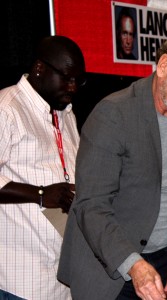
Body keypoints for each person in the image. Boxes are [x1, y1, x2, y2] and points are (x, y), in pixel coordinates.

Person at [58, 29, 167, 300]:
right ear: (164, 66)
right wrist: (133, 264)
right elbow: (92, 205)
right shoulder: (113, 114)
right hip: (111, 263)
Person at [0, 35, 86, 299]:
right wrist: (40, 194)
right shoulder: (7, 108)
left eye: (78, 80)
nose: (73, 87)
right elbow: (44, 192)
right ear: (40, 68)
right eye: (66, 77)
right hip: (22, 279)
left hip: (63, 277)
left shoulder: (65, 112)